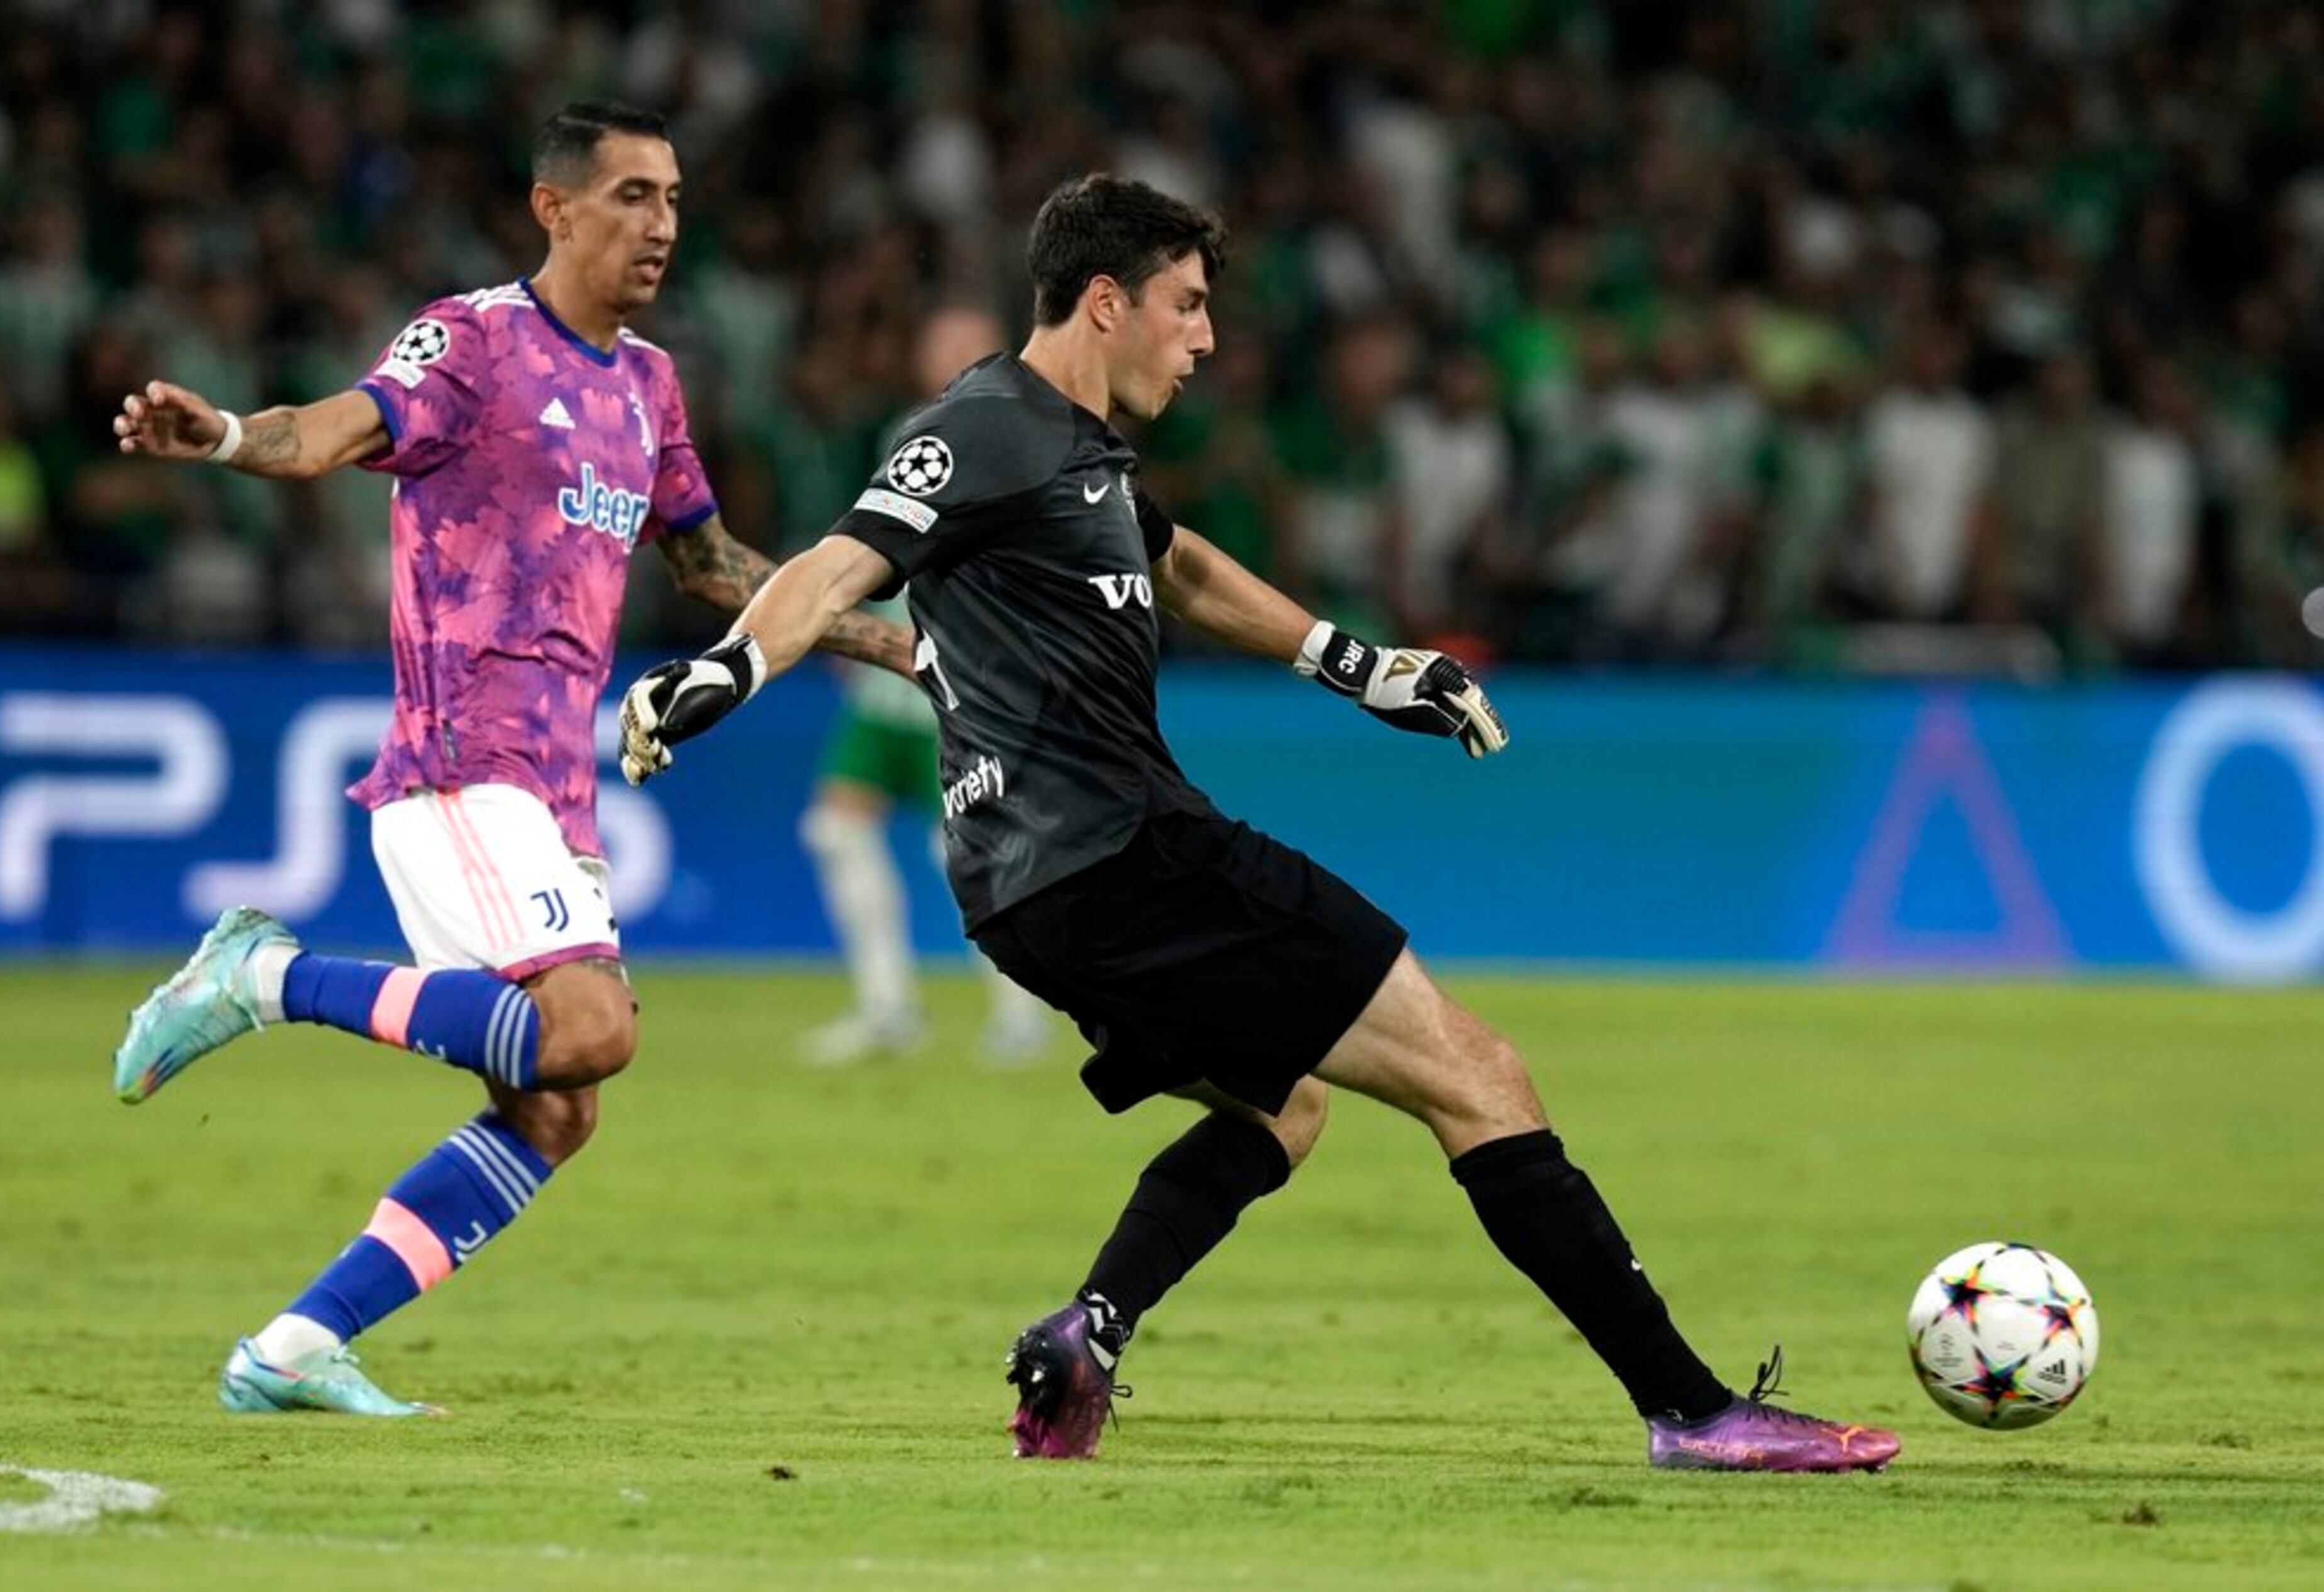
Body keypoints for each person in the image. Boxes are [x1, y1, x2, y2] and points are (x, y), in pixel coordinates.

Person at [617, 174, 1898, 1473]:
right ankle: (1693, 1411)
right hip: (1131, 854)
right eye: (1185, 305)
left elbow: (1184, 569)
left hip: (1026, 899)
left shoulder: (1084, 460)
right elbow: (840, 561)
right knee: (1479, 1075)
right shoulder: (985, 428)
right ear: (1105, 303)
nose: (1206, 338)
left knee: (1283, 1108)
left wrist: (1360, 664)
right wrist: (722, 672)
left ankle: (1088, 1332)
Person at [106, 101, 911, 1417]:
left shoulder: (648, 386)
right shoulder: (473, 339)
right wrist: (234, 439)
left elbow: (709, 565)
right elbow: (333, 431)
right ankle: (262, 975)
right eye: (634, 195)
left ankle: (294, 1350)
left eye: (672, 198)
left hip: (554, 792)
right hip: (458, 765)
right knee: (590, 1033)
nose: (662, 223)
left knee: (554, 1109)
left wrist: (889, 644)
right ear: (556, 208)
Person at [796, 301, 1050, 1064]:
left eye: (970, 347)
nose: (954, 361)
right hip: (889, 677)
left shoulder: (1026, 444)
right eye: (942, 345)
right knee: (837, 828)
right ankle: (887, 1009)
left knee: (967, 851)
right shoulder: (906, 434)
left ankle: (1021, 1013)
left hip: (963, 682)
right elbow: (882, 542)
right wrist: (857, 618)